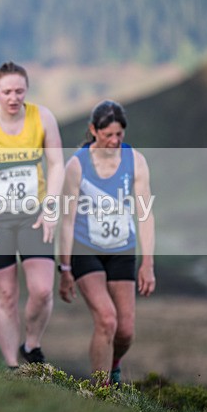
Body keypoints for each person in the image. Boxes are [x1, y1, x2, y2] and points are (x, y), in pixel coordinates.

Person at [0, 61, 64, 369]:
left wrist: (51, 209)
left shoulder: (42, 118)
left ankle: (31, 344)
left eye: (19, 91)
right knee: (5, 293)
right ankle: (12, 366)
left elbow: (57, 164)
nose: (13, 98)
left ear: (26, 90)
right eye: (7, 92)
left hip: (34, 214)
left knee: (43, 290)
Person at [57, 99, 156, 385]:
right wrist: (64, 269)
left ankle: (113, 364)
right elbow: (67, 220)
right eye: (108, 134)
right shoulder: (76, 165)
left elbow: (145, 215)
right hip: (85, 250)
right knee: (107, 320)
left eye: (119, 135)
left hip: (122, 250)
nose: (114, 140)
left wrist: (148, 263)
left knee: (125, 331)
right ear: (93, 130)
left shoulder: (135, 161)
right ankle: (100, 393)